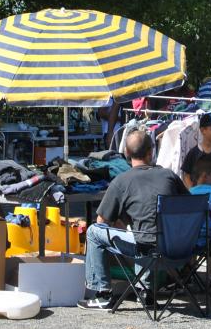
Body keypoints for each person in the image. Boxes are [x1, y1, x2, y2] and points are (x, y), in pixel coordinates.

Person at [79, 129, 188, 310]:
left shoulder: (122, 181)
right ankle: (145, 291)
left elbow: (102, 221)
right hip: (178, 249)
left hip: (146, 249)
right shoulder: (169, 176)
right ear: (151, 152)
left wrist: (120, 224)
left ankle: (103, 294)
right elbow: (187, 206)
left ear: (127, 154)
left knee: (93, 232)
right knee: (147, 229)